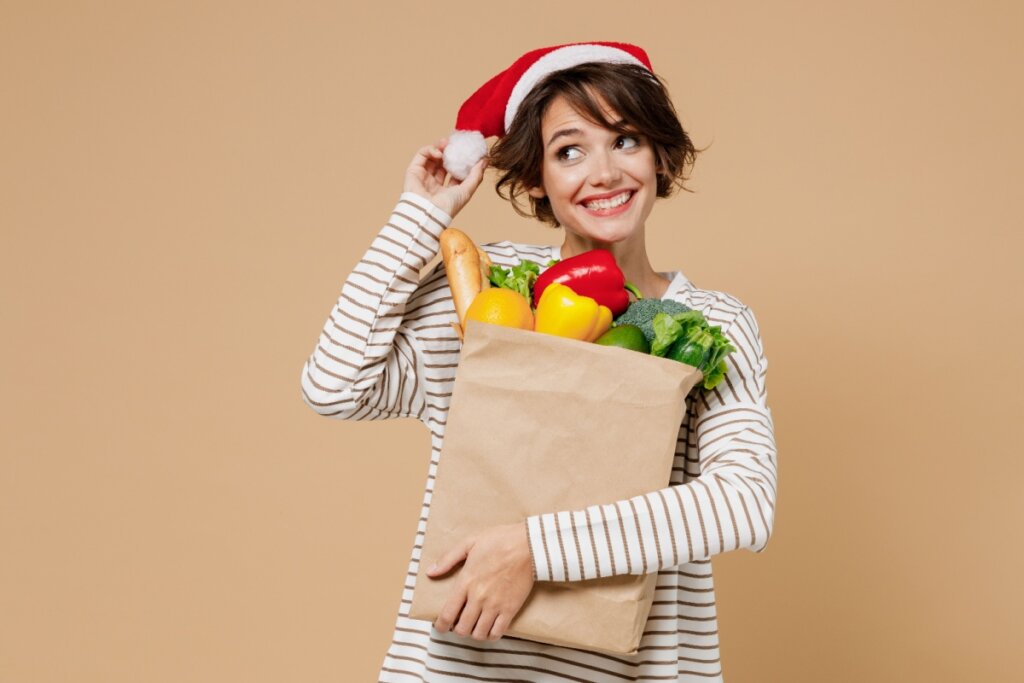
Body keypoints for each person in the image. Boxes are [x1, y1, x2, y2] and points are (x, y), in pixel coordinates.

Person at [300, 41, 777, 683]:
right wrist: (424, 214)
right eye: (569, 151)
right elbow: (335, 385)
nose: (603, 173)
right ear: (537, 182)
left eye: (626, 139)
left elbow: (743, 503)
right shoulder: (491, 297)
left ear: (661, 154)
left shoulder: (712, 323)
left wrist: (532, 550)